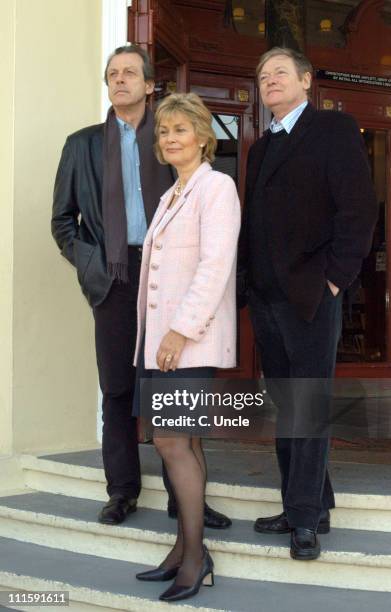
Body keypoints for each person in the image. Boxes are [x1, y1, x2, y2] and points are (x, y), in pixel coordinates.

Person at [51, 45, 230, 530]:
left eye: (130, 72)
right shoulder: (82, 144)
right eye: (112, 74)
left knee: (175, 392)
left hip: (172, 277)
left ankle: (186, 497)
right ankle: (122, 490)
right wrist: (91, 266)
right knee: (117, 389)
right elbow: (63, 220)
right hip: (113, 276)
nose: (120, 80)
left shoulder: (172, 137)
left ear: (150, 85)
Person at [238, 47, 378, 561]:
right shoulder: (262, 145)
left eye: (278, 72)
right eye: (262, 76)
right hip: (268, 297)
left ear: (306, 80)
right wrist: (247, 284)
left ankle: (302, 522)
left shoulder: (334, 131)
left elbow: (359, 210)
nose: (268, 81)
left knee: (310, 406)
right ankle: (310, 503)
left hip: (312, 295)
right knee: (288, 404)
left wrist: (336, 280)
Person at [134, 93, 240, 602]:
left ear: (202, 136)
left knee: (174, 443)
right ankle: (184, 549)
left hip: (187, 343)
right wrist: (156, 338)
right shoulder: (171, 195)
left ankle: (195, 557)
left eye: (180, 129)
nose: (170, 138)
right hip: (160, 345)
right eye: (164, 131)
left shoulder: (216, 188)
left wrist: (180, 330)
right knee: (184, 442)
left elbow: (215, 265)